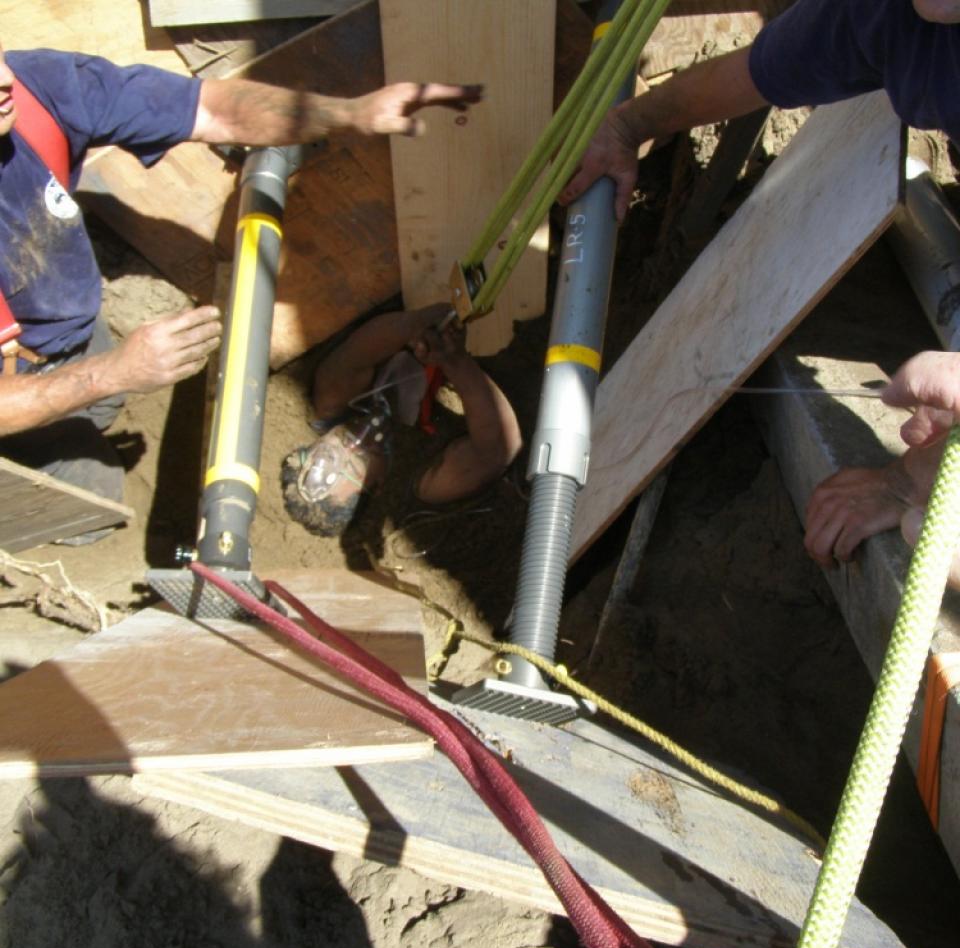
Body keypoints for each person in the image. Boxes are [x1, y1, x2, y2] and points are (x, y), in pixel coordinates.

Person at [0, 39, 481, 523]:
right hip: (13, 389)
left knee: (103, 408)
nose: (4, 80)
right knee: (92, 507)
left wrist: (351, 112)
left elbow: (216, 111)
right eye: (339, 475)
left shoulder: (36, 90)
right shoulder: (415, 456)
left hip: (61, 336)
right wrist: (112, 372)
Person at [559, 0, 960, 572]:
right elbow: (763, 70)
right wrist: (628, 125)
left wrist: (904, 480)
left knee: (938, 539)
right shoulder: (899, 15)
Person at [280, 302, 522, 536]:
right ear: (376, 488)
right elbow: (497, 448)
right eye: (357, 462)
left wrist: (415, 325)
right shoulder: (423, 484)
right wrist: (454, 360)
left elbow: (359, 351)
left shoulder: (332, 400)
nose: (354, 443)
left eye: (335, 446)